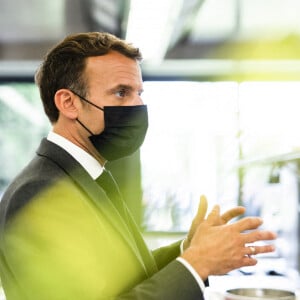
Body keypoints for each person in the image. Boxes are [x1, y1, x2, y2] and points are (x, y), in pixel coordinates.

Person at [0, 32, 276, 300]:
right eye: (121, 93)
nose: (138, 105)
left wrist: (188, 249)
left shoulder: (85, 177)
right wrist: (196, 264)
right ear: (69, 103)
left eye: (139, 93)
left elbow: (123, 275)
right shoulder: (38, 192)